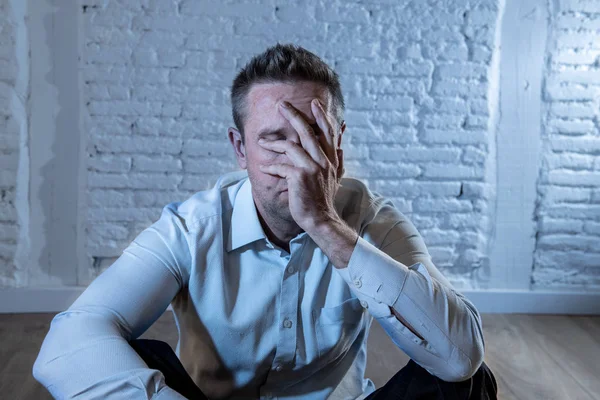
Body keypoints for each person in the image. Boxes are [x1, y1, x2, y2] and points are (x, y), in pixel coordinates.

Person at [33, 43, 497, 399]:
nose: (296, 160)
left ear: (338, 146)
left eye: (312, 137)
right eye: (275, 141)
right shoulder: (192, 227)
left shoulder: (373, 219)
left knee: (466, 380)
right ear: (240, 150)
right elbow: (67, 343)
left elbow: (461, 359)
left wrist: (327, 227)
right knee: (127, 356)